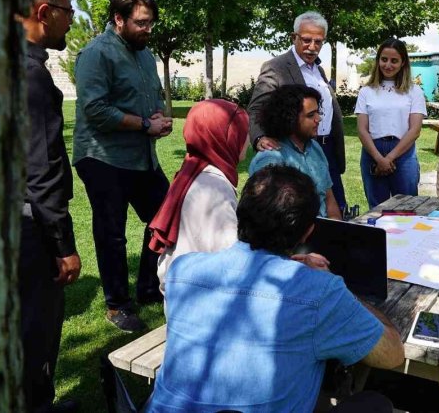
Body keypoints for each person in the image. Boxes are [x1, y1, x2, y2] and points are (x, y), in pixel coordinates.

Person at [145, 165, 404, 412]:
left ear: (240, 213)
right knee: (374, 403)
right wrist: (346, 292)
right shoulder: (320, 292)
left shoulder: (183, 270)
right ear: (308, 233)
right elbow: (392, 354)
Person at [73, 0, 173, 332]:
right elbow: (95, 109)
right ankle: (117, 305)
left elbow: (149, 98)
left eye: (151, 24)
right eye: (141, 23)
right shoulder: (96, 54)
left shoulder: (145, 54)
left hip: (140, 156)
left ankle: (148, 287)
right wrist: (146, 125)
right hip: (103, 157)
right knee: (112, 234)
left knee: (164, 218)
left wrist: (157, 117)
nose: (148, 30)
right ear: (119, 19)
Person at [18, 0, 81, 412]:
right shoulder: (30, 78)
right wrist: (62, 245)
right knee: (35, 332)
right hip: (29, 231)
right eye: (67, 11)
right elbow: (41, 171)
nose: (71, 21)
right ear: (44, 12)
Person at [148, 99, 250, 294]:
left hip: (186, 292)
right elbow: (232, 262)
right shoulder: (214, 189)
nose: (247, 139)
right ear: (225, 137)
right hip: (198, 301)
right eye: (242, 132)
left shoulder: (194, 169)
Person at [248, 11, 347, 210]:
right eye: (306, 40)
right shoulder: (275, 67)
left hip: (324, 149)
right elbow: (256, 107)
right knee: (303, 209)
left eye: (318, 42)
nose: (312, 47)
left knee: (335, 206)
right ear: (294, 37)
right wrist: (259, 138)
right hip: (295, 150)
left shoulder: (318, 70)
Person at [249, 84, 342, 219]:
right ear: (289, 119)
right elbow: (267, 219)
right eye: (311, 115)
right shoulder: (271, 158)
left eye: (318, 112)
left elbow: (329, 199)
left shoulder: (315, 148)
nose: (318, 119)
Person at [354, 38, 426, 208]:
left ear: (402, 63)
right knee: (377, 210)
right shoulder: (366, 91)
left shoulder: (414, 91)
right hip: (373, 152)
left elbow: (415, 130)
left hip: (403, 153)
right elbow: (362, 130)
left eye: (394, 61)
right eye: (384, 59)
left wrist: (390, 158)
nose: (388, 65)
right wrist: (379, 159)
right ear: (378, 60)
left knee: (407, 207)